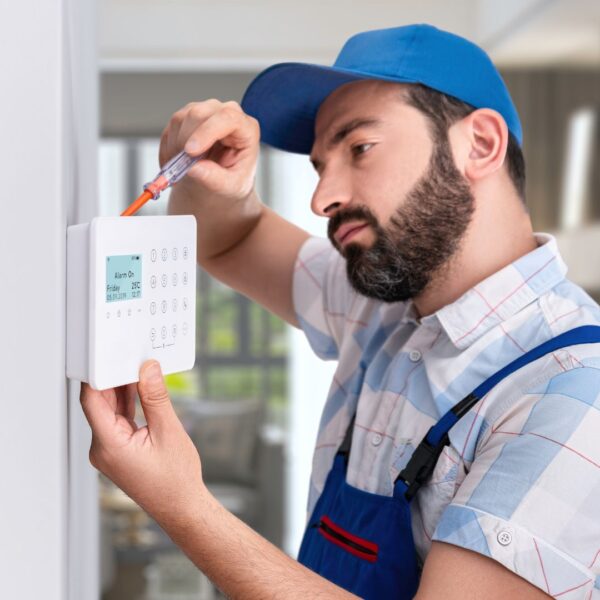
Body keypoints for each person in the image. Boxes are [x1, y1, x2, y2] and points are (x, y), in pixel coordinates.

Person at [80, 24, 600, 599]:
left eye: (359, 148)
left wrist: (182, 506)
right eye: (320, 165)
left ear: (479, 144)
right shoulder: (385, 308)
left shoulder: (572, 394)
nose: (321, 197)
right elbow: (230, 238)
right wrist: (213, 179)